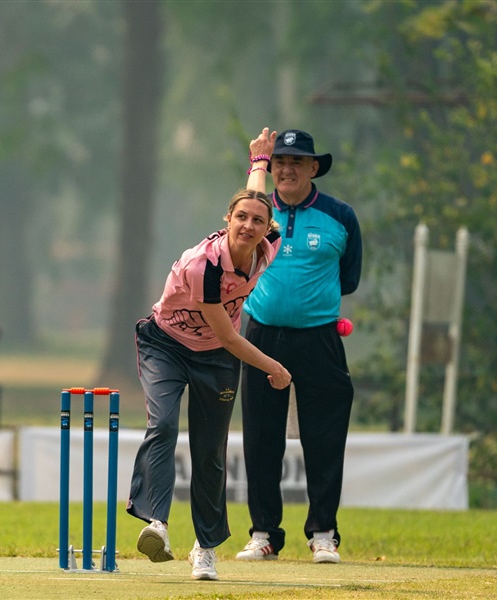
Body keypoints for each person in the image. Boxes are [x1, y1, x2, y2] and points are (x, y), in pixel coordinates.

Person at [126, 128, 292, 581]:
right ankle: (156, 523)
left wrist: (259, 164)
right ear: (227, 219)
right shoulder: (205, 266)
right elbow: (234, 338)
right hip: (167, 345)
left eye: (257, 222)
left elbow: (257, 202)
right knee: (162, 424)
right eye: (240, 218)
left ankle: (205, 548)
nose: (249, 226)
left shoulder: (268, 246)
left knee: (210, 451)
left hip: (215, 357)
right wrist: (276, 369)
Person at [235, 130, 362, 564]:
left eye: (296, 162)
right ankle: (264, 532)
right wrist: (256, 163)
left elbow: (349, 278)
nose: (286, 169)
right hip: (263, 336)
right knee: (261, 438)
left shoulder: (340, 217)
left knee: (324, 437)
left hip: (319, 339)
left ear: (313, 168)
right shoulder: (258, 215)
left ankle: (323, 532)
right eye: (280, 162)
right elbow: (235, 251)